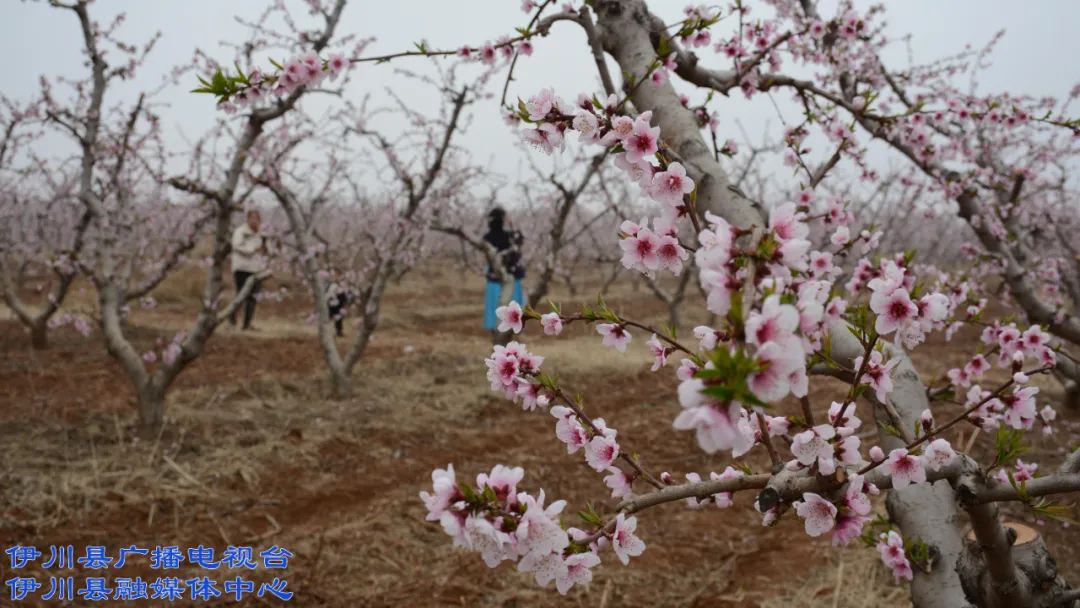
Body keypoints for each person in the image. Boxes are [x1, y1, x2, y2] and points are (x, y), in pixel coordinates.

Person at [482, 207, 525, 341]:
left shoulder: (486, 238)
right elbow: (520, 240)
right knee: (513, 312)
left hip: (494, 278)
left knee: (495, 311)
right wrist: (512, 225)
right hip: (511, 278)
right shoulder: (509, 236)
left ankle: (497, 336)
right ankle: (510, 336)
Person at [229, 209, 269, 330]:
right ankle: (232, 321)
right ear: (248, 219)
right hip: (242, 267)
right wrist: (252, 249)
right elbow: (236, 246)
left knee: (253, 297)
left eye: (257, 219)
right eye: (252, 218)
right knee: (241, 295)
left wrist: (267, 248)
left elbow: (266, 250)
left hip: (257, 269)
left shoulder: (262, 234)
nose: (255, 221)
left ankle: (247, 324)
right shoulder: (241, 231)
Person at [325, 269, 354, 337]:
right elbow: (327, 293)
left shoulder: (341, 284)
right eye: (332, 276)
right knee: (329, 317)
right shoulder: (330, 285)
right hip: (331, 302)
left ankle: (339, 331)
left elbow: (344, 294)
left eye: (335, 275)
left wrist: (344, 302)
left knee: (338, 318)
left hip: (339, 302)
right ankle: (329, 331)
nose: (333, 277)